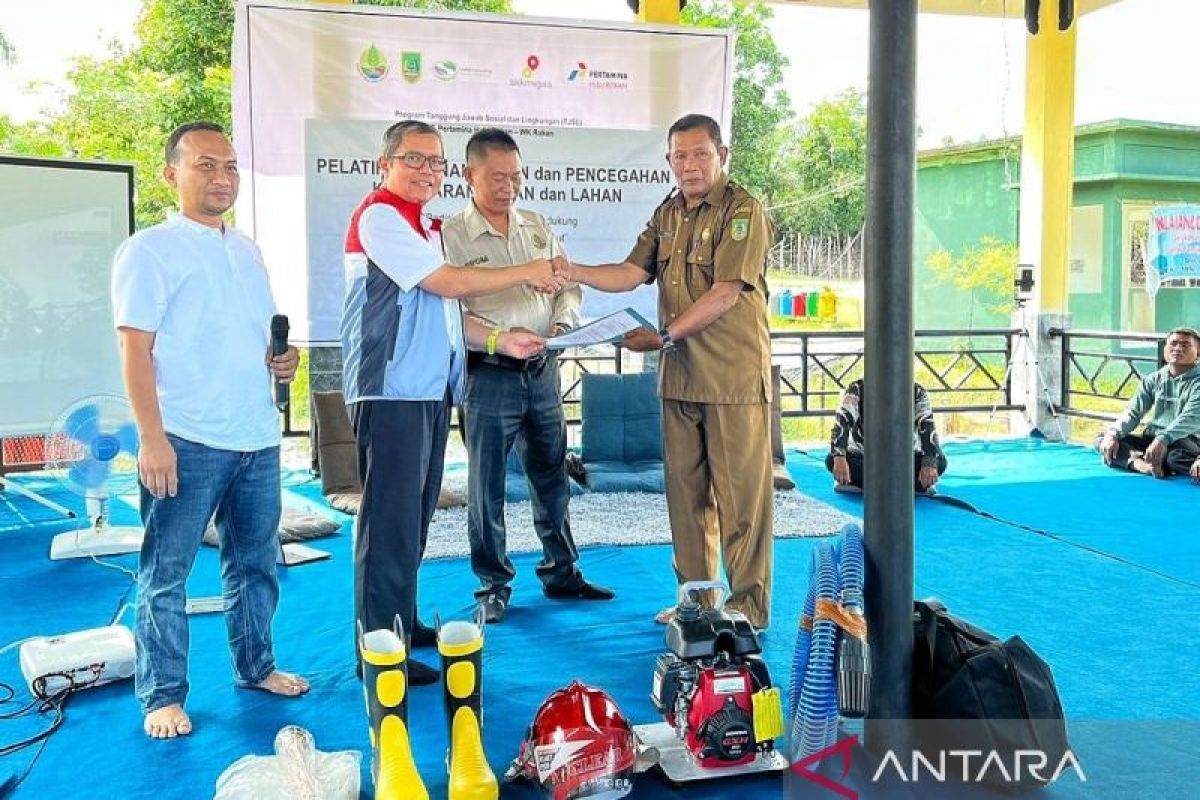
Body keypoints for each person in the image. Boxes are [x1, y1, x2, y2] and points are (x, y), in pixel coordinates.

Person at [340, 120, 559, 683]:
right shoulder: (380, 216)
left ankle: (401, 620)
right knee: (388, 520)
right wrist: (530, 271)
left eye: (434, 162)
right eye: (413, 159)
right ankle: (376, 649)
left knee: (413, 517)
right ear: (383, 163)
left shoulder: (423, 226)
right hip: (390, 389)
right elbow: (447, 283)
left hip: (429, 389)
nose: (425, 171)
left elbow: (443, 311)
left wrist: (498, 340)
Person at [111, 122, 309, 740]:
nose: (222, 178)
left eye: (229, 166)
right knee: (165, 572)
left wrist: (284, 360)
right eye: (205, 165)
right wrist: (152, 437)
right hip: (187, 439)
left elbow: (251, 336)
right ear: (172, 174)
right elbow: (133, 348)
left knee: (254, 563)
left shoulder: (247, 248)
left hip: (256, 435)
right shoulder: (149, 250)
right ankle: (163, 695)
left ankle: (257, 666)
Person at [561, 114, 776, 631]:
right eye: (680, 155)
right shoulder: (669, 212)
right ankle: (697, 601)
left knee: (741, 498)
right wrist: (573, 271)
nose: (689, 164)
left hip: (730, 377)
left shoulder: (743, 210)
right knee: (686, 497)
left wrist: (663, 336)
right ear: (669, 161)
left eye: (700, 153)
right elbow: (632, 272)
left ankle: (747, 608)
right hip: (679, 375)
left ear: (721, 155)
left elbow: (726, 292)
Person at [440, 128, 614, 624]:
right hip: (490, 373)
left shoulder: (537, 226)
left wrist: (564, 322)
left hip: (544, 368)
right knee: (487, 484)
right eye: (497, 177)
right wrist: (500, 337)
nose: (509, 186)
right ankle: (493, 584)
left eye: (516, 176)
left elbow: (567, 288)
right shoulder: (450, 235)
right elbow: (451, 315)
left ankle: (562, 571)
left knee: (551, 473)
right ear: (469, 175)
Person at [1098, 326, 1200, 480]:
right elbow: (1134, 412)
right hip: (1153, 439)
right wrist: (1113, 434)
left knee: (1174, 458)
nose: (1178, 348)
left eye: (1185, 345)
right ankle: (1142, 466)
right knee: (1103, 439)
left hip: (1186, 441)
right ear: (1165, 349)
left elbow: (1190, 418)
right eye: (1173, 344)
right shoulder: (1154, 379)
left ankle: (1163, 461)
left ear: (1198, 352)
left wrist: (1163, 439)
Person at [825, 379, 947, 494]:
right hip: (866, 459)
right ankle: (911, 485)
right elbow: (842, 422)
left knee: (939, 461)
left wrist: (929, 463)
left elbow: (928, 426)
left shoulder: (916, 391)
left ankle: (867, 484)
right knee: (832, 459)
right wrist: (840, 458)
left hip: (904, 460)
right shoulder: (857, 389)